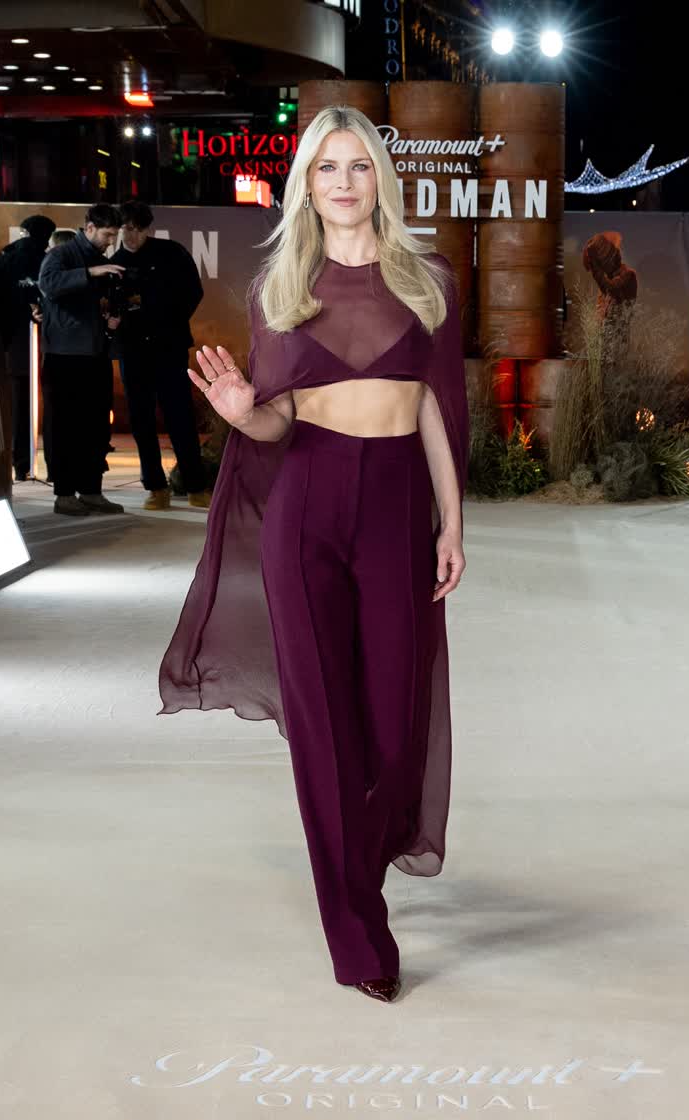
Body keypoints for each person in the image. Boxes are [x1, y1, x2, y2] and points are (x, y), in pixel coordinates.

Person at [159, 105, 469, 1003]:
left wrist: (453, 523)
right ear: (306, 184)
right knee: (326, 726)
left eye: (358, 165)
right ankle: (359, 935)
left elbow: (437, 409)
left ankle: (359, 858)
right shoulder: (281, 286)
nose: (343, 181)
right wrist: (239, 414)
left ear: (380, 179)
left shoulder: (428, 281)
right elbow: (277, 420)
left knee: (397, 725)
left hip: (398, 504)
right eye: (326, 167)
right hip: (307, 507)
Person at [112, 200, 210, 509]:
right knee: (141, 421)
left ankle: (195, 485)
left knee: (180, 416)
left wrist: (166, 319)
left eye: (135, 229)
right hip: (132, 350)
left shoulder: (172, 253)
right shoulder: (114, 263)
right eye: (125, 229)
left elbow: (194, 291)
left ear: (146, 229)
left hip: (169, 347)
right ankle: (155, 487)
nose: (130, 235)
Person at [37, 203, 125, 516]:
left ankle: (91, 490)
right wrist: (89, 273)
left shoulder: (101, 259)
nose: (110, 242)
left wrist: (111, 315)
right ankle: (64, 493)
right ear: (89, 228)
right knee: (64, 426)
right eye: (107, 235)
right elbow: (48, 285)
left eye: (114, 236)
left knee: (96, 425)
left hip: (95, 353)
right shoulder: (61, 255)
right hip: (64, 356)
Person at [0, 214, 54, 479]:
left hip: (15, 344)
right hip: (47, 342)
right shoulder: (49, 260)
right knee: (51, 405)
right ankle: (53, 467)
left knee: (20, 405)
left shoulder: (5, 260)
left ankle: (21, 465)